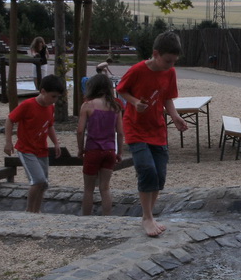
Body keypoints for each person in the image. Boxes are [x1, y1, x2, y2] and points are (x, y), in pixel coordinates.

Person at [116, 31, 188, 236]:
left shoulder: (170, 72)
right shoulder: (137, 70)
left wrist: (175, 117)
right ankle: (147, 217)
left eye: (173, 62)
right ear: (156, 54)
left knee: (159, 175)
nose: (170, 65)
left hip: (157, 129)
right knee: (147, 169)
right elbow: (121, 90)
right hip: (135, 128)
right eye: (167, 61)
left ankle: (150, 215)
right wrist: (134, 102)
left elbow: (167, 98)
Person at [4, 74, 65, 213]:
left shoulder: (50, 107)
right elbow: (10, 120)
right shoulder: (28, 105)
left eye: (57, 97)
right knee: (38, 180)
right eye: (53, 96)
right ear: (43, 91)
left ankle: (36, 211)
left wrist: (56, 143)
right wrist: (8, 142)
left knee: (43, 184)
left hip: (41, 149)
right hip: (26, 149)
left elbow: (49, 125)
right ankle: (29, 211)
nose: (55, 100)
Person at [76, 73, 123, 216]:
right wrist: (119, 152)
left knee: (88, 189)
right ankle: (107, 217)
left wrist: (80, 149)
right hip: (109, 151)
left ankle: (86, 217)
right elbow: (120, 132)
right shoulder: (116, 107)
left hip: (93, 150)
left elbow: (80, 131)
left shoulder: (87, 106)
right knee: (105, 187)